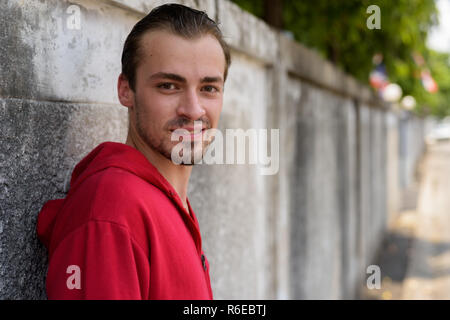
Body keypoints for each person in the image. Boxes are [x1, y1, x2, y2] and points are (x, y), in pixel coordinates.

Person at [36, 3, 231, 300]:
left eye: (209, 88)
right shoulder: (112, 210)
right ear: (126, 90)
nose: (193, 110)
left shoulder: (166, 202)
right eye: (168, 86)